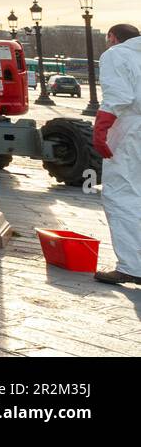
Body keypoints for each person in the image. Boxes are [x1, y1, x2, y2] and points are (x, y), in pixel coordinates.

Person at [94, 23, 141, 286]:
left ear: (113, 37)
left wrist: (101, 128)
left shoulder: (115, 55)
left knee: (122, 194)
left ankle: (132, 266)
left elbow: (118, 96)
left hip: (130, 127)